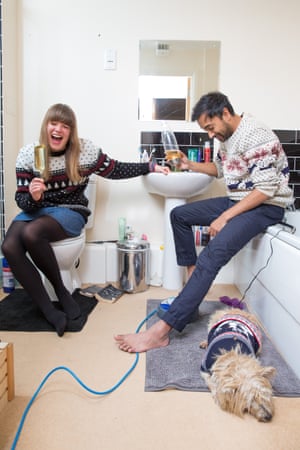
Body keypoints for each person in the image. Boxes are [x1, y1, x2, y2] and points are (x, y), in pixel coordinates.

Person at [115, 91, 294, 353]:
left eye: (210, 128)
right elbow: (220, 169)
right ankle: (192, 292)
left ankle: (160, 333)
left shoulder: (256, 134)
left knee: (211, 256)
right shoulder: (228, 135)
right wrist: (190, 165)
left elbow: (265, 190)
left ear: (225, 113)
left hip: (265, 206)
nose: (210, 134)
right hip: (239, 200)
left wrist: (225, 217)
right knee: (179, 215)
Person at [1, 103, 169, 337]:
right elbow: (23, 202)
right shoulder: (29, 154)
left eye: (65, 126)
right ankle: (49, 310)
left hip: (70, 210)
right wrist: (33, 195)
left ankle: (61, 292)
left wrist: (148, 166)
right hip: (37, 209)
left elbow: (115, 169)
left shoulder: (84, 152)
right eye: (54, 123)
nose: (58, 129)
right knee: (8, 246)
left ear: (71, 132)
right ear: (46, 126)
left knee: (31, 234)